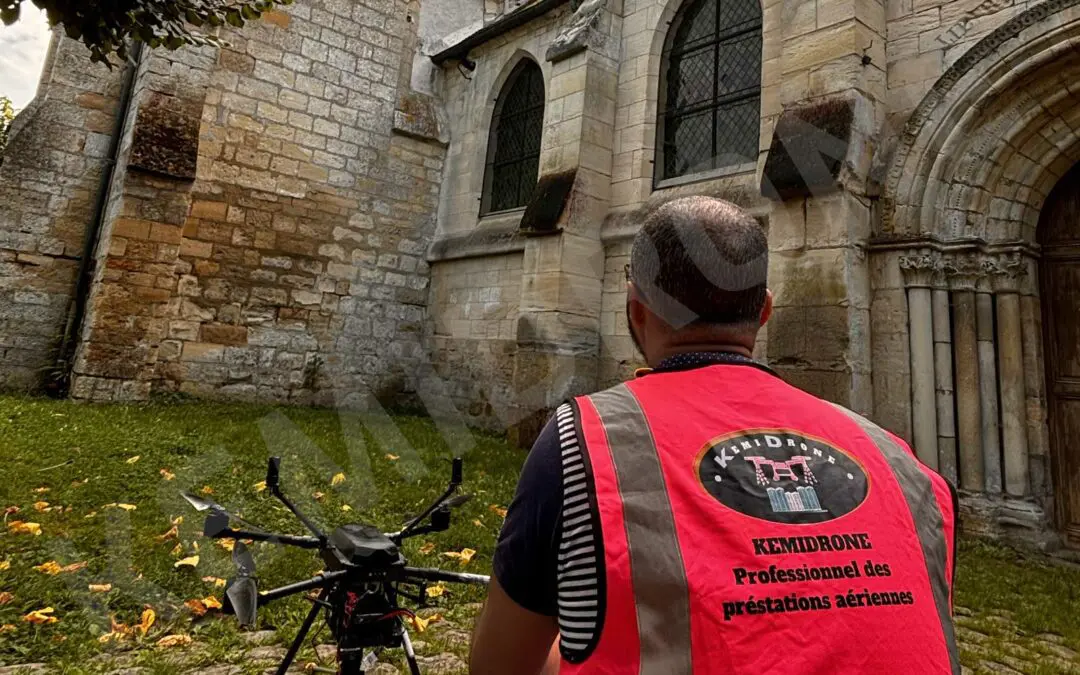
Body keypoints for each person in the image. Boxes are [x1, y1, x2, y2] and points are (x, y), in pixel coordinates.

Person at [469, 196, 960, 674]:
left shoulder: (586, 441)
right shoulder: (904, 466)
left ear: (636, 310)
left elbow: (498, 665)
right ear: (764, 311)